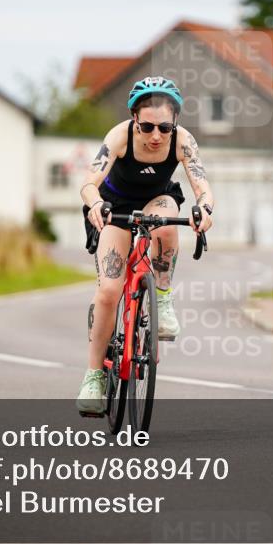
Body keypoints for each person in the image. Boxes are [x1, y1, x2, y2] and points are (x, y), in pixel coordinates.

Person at [75, 76, 214, 415]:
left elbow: (202, 186)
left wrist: (205, 210)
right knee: (109, 291)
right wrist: (95, 205)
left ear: (175, 122)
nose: (156, 136)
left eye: (164, 127)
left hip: (157, 201)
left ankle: (162, 298)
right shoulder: (118, 136)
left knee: (167, 219)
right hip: (115, 208)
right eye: (148, 126)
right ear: (134, 118)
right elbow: (89, 183)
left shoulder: (183, 141)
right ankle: (94, 375)